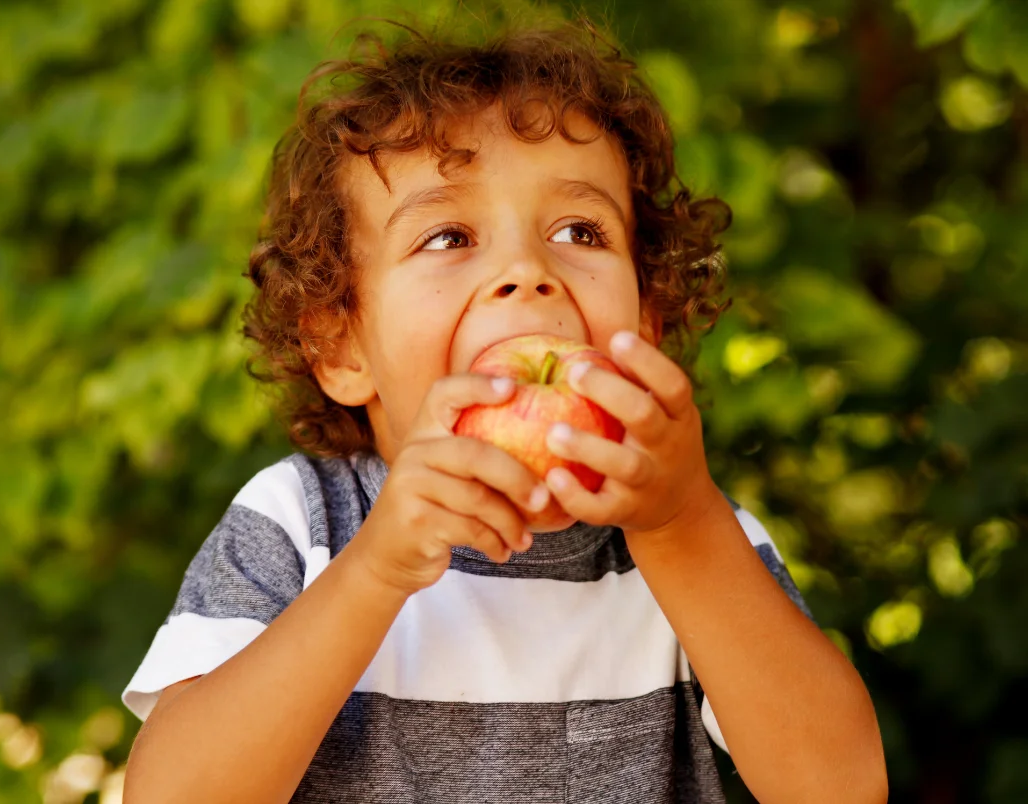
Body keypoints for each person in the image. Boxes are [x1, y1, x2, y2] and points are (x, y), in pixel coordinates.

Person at [120, 18, 887, 804]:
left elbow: (840, 787)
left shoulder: (692, 534)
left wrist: (680, 524)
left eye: (578, 230)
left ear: (646, 321)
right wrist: (375, 570)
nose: (527, 272)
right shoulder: (301, 522)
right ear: (341, 343)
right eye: (449, 235)